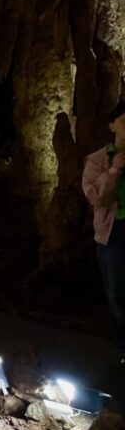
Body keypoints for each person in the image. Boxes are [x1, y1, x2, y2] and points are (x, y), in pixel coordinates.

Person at [83, 102, 125, 354]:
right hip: (113, 233)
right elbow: (97, 198)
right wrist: (114, 170)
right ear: (112, 126)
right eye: (124, 122)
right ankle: (123, 346)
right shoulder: (97, 160)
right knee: (118, 295)